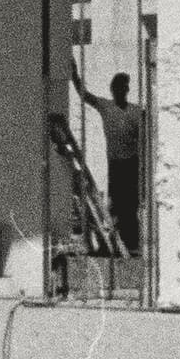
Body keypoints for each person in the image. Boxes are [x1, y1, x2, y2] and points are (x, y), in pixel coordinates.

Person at [72, 68, 147, 258]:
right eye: (116, 88)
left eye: (123, 88)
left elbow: (145, 139)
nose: (119, 91)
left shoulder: (136, 112)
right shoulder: (106, 107)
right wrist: (74, 74)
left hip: (132, 164)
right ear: (112, 90)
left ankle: (132, 244)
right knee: (115, 205)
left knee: (131, 206)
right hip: (115, 165)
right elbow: (84, 95)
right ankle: (114, 243)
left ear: (126, 90)